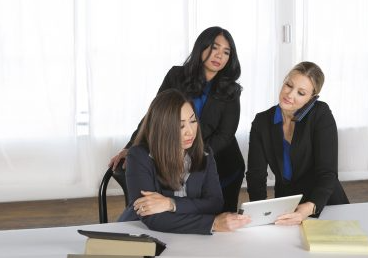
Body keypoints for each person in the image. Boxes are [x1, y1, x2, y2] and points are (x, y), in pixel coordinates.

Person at [110, 26, 245, 212]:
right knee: (177, 211)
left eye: (226, 52)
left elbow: (225, 135)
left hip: (221, 162)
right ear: (202, 47)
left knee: (219, 217)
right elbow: (154, 115)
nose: (219, 56)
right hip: (179, 160)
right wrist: (131, 146)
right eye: (214, 48)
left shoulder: (232, 90)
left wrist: (191, 155)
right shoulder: (176, 76)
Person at [118, 89, 250, 234]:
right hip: (141, 233)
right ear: (163, 128)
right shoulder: (139, 156)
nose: (190, 132)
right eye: (181, 126)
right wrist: (211, 224)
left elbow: (215, 203)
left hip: (188, 235)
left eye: (193, 121)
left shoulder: (205, 153)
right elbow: (152, 218)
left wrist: (170, 204)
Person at [245, 61, 349, 226]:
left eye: (301, 93)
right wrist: (260, 213)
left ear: (311, 98)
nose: (290, 95)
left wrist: (308, 208)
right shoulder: (262, 122)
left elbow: (328, 173)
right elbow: (256, 175)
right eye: (288, 85)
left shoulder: (321, 115)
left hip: (322, 202)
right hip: (287, 206)